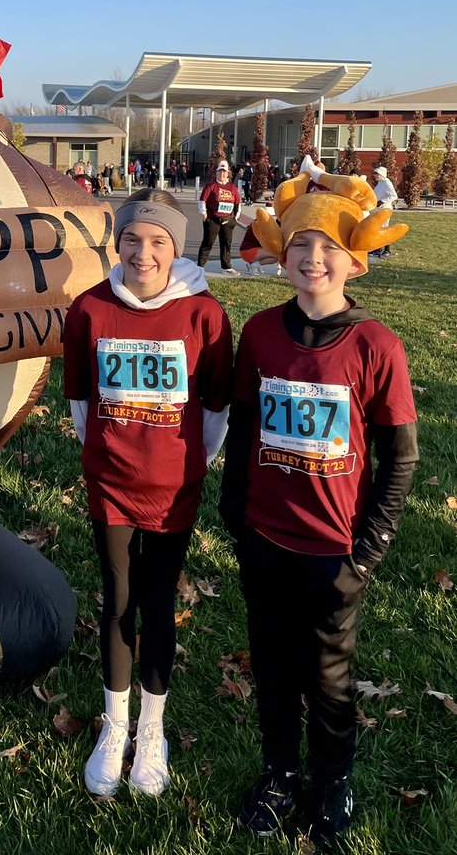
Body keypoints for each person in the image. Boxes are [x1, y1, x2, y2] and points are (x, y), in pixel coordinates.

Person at [219, 184, 417, 851]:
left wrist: (368, 550)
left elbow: (400, 459)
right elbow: (244, 427)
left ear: (354, 259)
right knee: (273, 667)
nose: (313, 257)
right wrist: (236, 514)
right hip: (265, 537)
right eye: (300, 242)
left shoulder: (376, 345)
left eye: (328, 245)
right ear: (281, 254)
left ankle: (333, 781)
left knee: (329, 675)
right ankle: (279, 775)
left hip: (335, 549)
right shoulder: (259, 334)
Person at [63, 190, 233, 798]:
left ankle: (151, 729)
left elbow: (215, 407)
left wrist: (184, 466)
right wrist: (110, 455)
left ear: (176, 247)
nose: (143, 253)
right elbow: (80, 401)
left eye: (158, 241)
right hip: (111, 484)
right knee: (117, 597)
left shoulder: (204, 315)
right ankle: (115, 727)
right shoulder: (89, 309)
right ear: (117, 243)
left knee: (157, 600)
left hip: (173, 488)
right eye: (132, 239)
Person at [196, 159, 241, 274]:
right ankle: (200, 266)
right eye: (220, 171)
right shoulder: (211, 186)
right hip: (213, 220)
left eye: (224, 172)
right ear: (216, 173)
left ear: (227, 173)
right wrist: (204, 215)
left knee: (226, 244)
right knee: (208, 243)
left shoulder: (233, 188)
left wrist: (235, 218)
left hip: (228, 221)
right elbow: (202, 201)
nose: (222, 174)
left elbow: (237, 203)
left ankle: (226, 267)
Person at [370, 166, 398, 258]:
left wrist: (382, 201)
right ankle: (378, 249)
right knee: (378, 228)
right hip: (379, 209)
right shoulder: (380, 183)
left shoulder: (386, 182)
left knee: (384, 229)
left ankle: (387, 250)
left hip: (385, 209)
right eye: (375, 174)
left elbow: (394, 196)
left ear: (382, 174)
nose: (375, 176)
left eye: (377, 174)